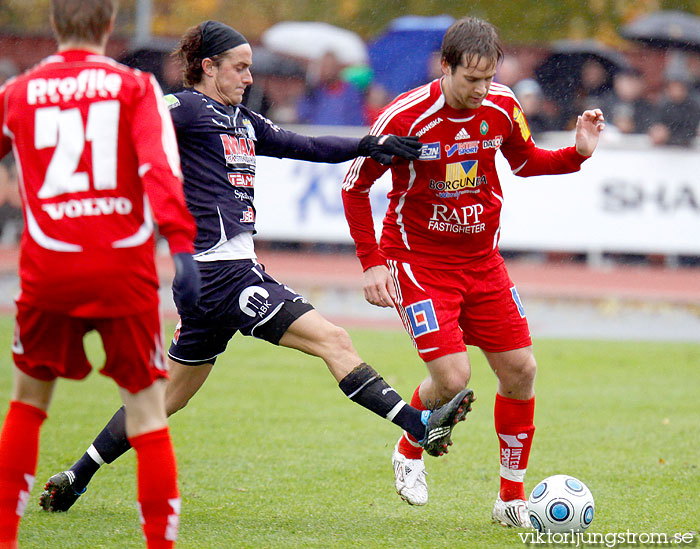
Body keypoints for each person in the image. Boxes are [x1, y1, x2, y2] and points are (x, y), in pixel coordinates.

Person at [39, 20, 475, 514]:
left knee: (168, 398)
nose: (249, 78)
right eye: (240, 68)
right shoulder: (185, 107)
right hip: (222, 273)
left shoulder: (243, 121)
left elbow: (304, 146)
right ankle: (418, 427)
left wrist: (368, 145)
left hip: (212, 278)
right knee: (334, 341)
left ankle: (76, 476)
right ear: (208, 67)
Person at [341, 17, 604, 526]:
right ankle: (408, 448)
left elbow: (525, 162)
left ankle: (509, 500)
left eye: (489, 78)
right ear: (446, 67)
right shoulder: (405, 116)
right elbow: (355, 186)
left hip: (483, 263)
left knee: (521, 371)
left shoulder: (503, 105)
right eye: (471, 80)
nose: (482, 90)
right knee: (453, 376)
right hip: (417, 262)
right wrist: (372, 263)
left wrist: (576, 154)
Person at [0, 0, 202, 547]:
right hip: (123, 268)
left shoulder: (16, 92)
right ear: (110, 25)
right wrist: (182, 248)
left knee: (27, 405)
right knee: (145, 412)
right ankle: (159, 541)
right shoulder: (135, 87)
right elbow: (160, 170)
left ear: (54, 24)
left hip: (49, 267)